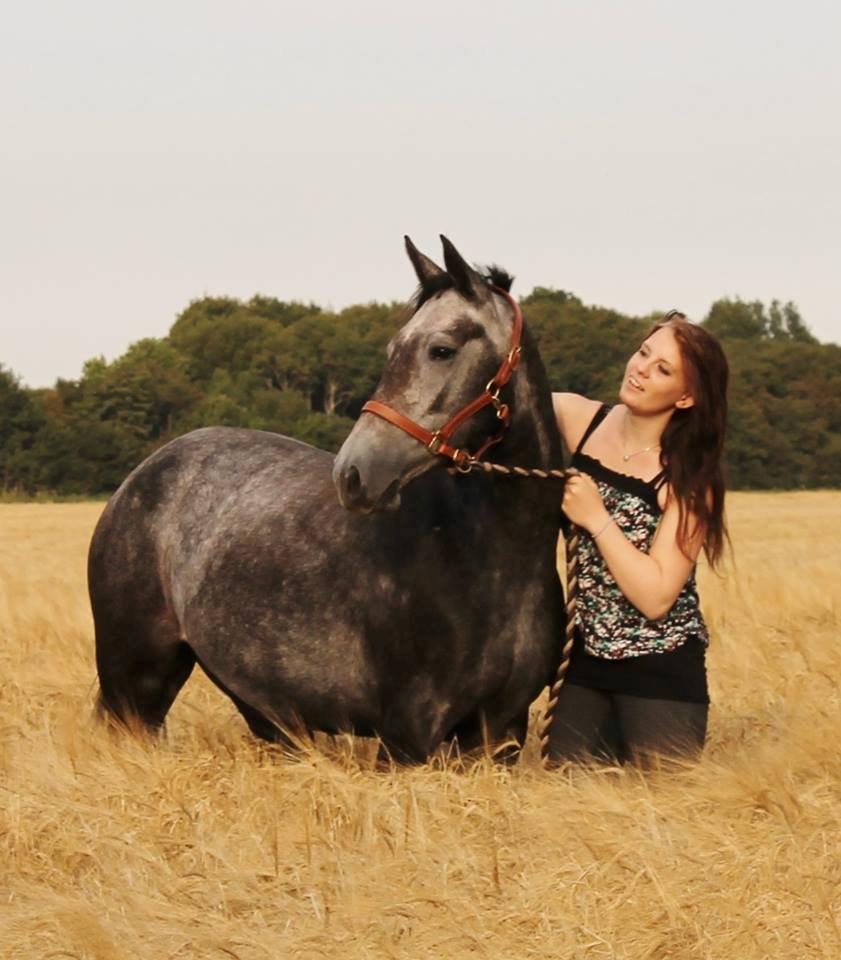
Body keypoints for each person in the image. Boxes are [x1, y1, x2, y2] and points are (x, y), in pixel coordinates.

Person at [548, 311, 729, 765]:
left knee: (663, 802)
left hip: (660, 667)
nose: (641, 369)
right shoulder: (579, 419)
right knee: (563, 795)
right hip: (583, 661)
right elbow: (497, 397)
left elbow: (656, 597)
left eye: (662, 369)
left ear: (686, 397)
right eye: (644, 352)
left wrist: (597, 518)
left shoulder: (689, 478)